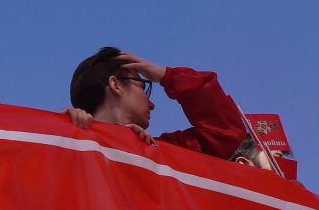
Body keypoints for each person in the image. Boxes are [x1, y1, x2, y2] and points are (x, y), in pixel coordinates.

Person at [64, 47, 244, 159]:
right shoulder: (70, 145)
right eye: (143, 87)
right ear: (115, 84)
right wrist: (65, 128)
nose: (152, 105)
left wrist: (167, 75)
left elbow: (225, 134)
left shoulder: (162, 152)